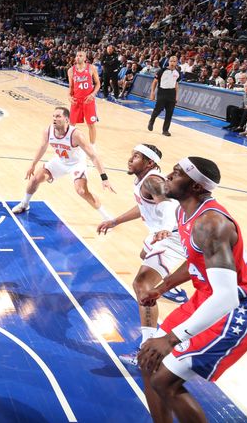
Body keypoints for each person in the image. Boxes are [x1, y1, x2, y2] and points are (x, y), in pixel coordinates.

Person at [138, 157, 247, 423]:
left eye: (177, 173)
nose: (169, 177)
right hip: (206, 298)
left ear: (196, 186)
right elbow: (196, 261)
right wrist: (163, 287)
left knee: (165, 381)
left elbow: (227, 296)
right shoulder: (182, 211)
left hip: (238, 311)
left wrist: (171, 338)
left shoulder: (211, 223)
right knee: (147, 360)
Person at [97, 144, 188, 367]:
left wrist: (164, 228)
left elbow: (166, 205)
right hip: (164, 234)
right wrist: (115, 220)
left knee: (142, 285)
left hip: (171, 236)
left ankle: (147, 348)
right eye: (132, 154)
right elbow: (142, 206)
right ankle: (173, 287)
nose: (130, 159)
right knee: (144, 253)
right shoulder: (143, 180)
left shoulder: (152, 180)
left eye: (136, 156)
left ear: (149, 163)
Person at [12, 106, 114, 218]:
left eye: (58, 116)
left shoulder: (76, 134)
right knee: (35, 179)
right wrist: (32, 165)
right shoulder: (48, 131)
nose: (54, 119)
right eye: (53, 116)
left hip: (76, 164)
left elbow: (94, 156)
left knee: (81, 191)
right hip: (60, 161)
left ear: (67, 120)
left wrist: (104, 178)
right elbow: (42, 147)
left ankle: (107, 218)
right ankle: (24, 204)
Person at [67, 51, 100, 145]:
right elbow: (71, 87)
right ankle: (69, 145)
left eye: (80, 56)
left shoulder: (91, 68)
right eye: (77, 55)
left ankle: (92, 147)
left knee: (91, 124)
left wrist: (93, 94)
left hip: (88, 100)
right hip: (76, 100)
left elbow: (98, 83)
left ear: (85, 58)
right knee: (71, 125)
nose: (78, 57)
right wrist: (69, 96)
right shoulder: (71, 70)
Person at [148, 56, 180, 136]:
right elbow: (155, 82)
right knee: (158, 110)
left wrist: (176, 96)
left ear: (177, 63)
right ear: (168, 62)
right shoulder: (162, 71)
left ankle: (165, 130)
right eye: (171, 61)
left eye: (174, 61)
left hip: (171, 93)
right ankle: (152, 120)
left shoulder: (177, 72)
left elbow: (176, 84)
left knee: (169, 113)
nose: (172, 63)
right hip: (162, 92)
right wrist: (152, 93)